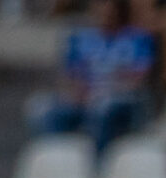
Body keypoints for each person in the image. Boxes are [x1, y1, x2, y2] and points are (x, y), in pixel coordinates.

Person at [47, 0, 158, 146]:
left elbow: (139, 79)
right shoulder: (79, 38)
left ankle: (99, 162)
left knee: (102, 107)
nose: (104, 11)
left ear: (119, 9)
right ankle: (56, 160)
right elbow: (69, 77)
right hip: (84, 98)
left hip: (120, 100)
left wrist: (105, 90)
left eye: (108, 5)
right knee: (43, 109)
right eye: (99, 5)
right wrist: (78, 93)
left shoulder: (139, 38)